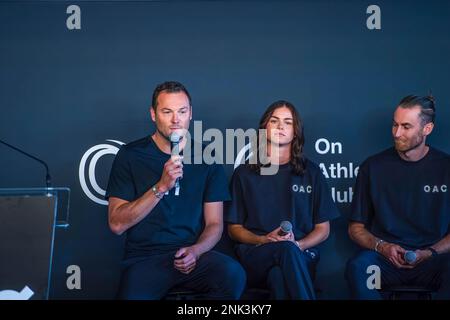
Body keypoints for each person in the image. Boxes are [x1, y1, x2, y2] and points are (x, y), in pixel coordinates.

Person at [105, 81, 246, 299]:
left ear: (191, 113)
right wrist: (161, 186)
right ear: (153, 114)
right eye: (167, 111)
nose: (175, 119)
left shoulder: (207, 158)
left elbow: (215, 224)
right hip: (145, 258)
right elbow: (116, 224)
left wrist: (196, 251)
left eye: (182, 111)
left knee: (233, 274)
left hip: (191, 255)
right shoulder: (130, 155)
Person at [225, 100, 340, 299]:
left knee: (279, 277)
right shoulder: (244, 174)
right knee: (284, 252)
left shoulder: (311, 172)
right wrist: (263, 239)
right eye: (274, 121)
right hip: (256, 254)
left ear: (296, 131)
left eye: (287, 122)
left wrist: (299, 245)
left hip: (301, 255)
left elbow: (323, 229)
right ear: (264, 128)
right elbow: (234, 229)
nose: (280, 126)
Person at [346, 95, 450, 299]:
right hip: (385, 264)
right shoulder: (372, 167)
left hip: (433, 262)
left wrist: (429, 252)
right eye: (395, 125)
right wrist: (383, 247)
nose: (397, 133)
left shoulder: (446, 168)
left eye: (406, 126)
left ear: (427, 129)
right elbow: (355, 228)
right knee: (359, 268)